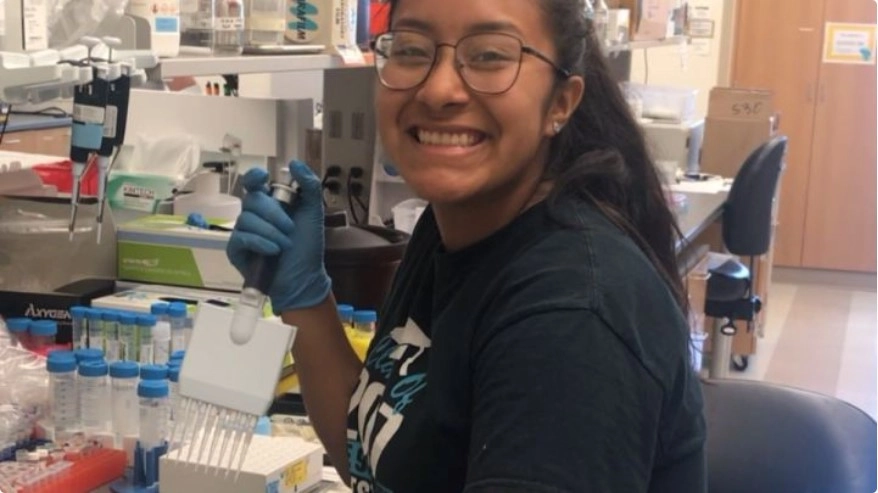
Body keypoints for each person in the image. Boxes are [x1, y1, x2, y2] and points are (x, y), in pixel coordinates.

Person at [227, 0, 707, 490]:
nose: (439, 90)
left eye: (490, 55)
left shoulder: (572, 319)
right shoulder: (452, 227)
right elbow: (375, 459)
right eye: (411, 49)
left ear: (561, 102)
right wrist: (306, 300)